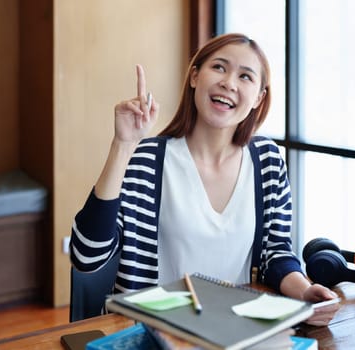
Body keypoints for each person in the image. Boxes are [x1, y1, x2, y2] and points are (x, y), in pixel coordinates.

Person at [70, 33, 339, 325]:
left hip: (231, 331)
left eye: (245, 76)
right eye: (219, 68)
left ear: (259, 97)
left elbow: (276, 253)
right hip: (151, 332)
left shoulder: (267, 161)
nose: (229, 83)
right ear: (195, 77)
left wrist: (305, 291)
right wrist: (123, 144)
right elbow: (86, 257)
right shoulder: (149, 159)